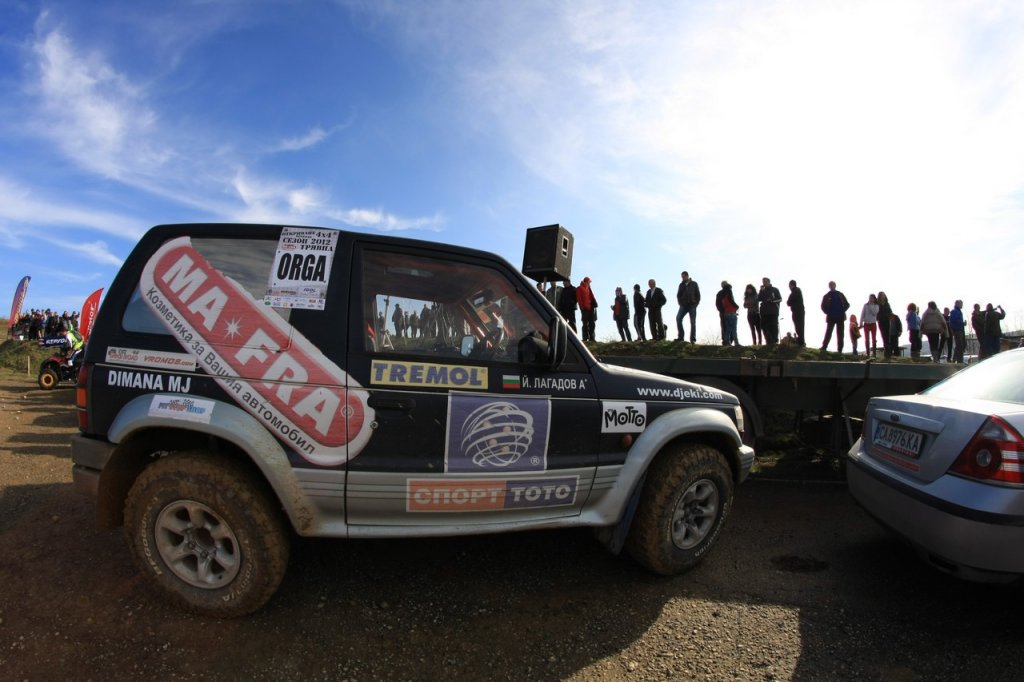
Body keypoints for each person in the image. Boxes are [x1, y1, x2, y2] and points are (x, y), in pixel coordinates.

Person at [820, 281, 850, 352]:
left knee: (840, 334)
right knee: (828, 332)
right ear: (829, 286)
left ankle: (840, 350)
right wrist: (828, 312)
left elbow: (847, 304)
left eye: (832, 285)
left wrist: (842, 310)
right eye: (830, 285)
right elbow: (822, 306)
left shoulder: (840, 294)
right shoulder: (826, 296)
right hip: (831, 317)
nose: (831, 286)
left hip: (840, 317)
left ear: (835, 285)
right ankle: (824, 347)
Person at [675, 271, 700, 343]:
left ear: (687, 276)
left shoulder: (694, 284)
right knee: (678, 318)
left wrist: (696, 304)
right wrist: (680, 303)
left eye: (683, 277)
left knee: (693, 322)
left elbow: (698, 295)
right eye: (682, 277)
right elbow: (678, 295)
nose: (682, 278)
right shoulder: (681, 285)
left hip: (692, 305)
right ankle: (681, 337)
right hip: (683, 305)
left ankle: (693, 339)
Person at [757, 277, 782, 345]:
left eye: (765, 281)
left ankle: (775, 340)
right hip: (764, 312)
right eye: (763, 282)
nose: (764, 283)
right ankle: (769, 341)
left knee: (773, 326)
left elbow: (780, 299)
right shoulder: (763, 291)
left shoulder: (774, 289)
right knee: (764, 326)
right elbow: (759, 299)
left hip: (773, 312)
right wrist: (761, 291)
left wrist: (772, 301)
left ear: (769, 282)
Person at [716, 281, 740, 346]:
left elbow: (717, 304)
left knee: (725, 328)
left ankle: (726, 341)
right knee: (733, 328)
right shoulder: (729, 291)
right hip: (731, 311)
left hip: (724, 312)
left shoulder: (719, 293)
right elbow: (731, 300)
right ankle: (735, 342)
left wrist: (722, 310)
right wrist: (736, 306)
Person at [576, 277, 598, 342]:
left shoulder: (588, 288)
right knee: (585, 324)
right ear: (586, 281)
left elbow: (591, 296)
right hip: (584, 309)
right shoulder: (579, 288)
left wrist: (594, 303)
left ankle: (592, 337)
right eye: (589, 282)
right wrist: (582, 308)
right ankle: (585, 338)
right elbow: (579, 299)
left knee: (592, 323)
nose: (590, 283)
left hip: (591, 308)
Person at [787, 280, 805, 346]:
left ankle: (801, 341)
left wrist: (789, 302)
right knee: (799, 326)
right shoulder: (796, 291)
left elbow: (789, 302)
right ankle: (801, 341)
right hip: (798, 311)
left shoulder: (795, 291)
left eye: (789, 286)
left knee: (799, 326)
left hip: (798, 311)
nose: (789, 287)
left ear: (791, 285)